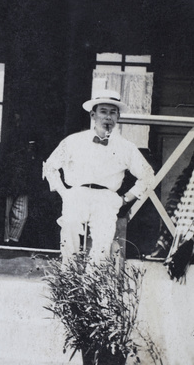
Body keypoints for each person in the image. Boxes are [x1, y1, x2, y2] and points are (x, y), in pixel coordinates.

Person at [43, 90, 154, 263]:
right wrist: (64, 192)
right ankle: (68, 280)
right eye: (103, 111)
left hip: (106, 198)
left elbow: (147, 175)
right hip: (76, 195)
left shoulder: (126, 147)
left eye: (112, 112)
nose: (108, 117)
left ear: (118, 116)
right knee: (69, 232)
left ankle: (93, 286)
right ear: (93, 115)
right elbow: (50, 166)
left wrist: (125, 199)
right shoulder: (74, 141)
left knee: (102, 246)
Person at [0, 112, 37, 246]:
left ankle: (13, 240)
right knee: (4, 214)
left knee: (21, 214)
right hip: (7, 180)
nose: (17, 122)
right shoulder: (5, 136)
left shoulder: (26, 136)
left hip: (22, 181)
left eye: (19, 120)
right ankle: (5, 241)